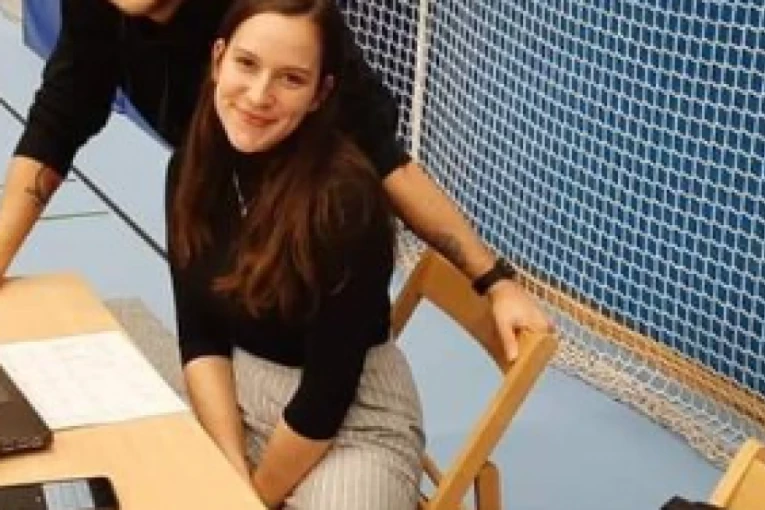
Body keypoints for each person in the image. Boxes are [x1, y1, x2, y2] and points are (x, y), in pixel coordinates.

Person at [0, 0, 553, 362]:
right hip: (221, 232)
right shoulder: (99, 10)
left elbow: (389, 163)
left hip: (304, 254)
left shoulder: (277, 21)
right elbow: (54, 128)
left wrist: (494, 281)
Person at [169, 0, 422, 507]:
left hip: (349, 421)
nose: (258, 95)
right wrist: (232, 472)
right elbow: (201, 338)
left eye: (291, 79)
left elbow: (326, 399)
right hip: (241, 394)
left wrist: (252, 499)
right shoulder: (192, 170)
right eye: (247, 64)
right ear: (218, 60)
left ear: (319, 95)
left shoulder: (345, 201)